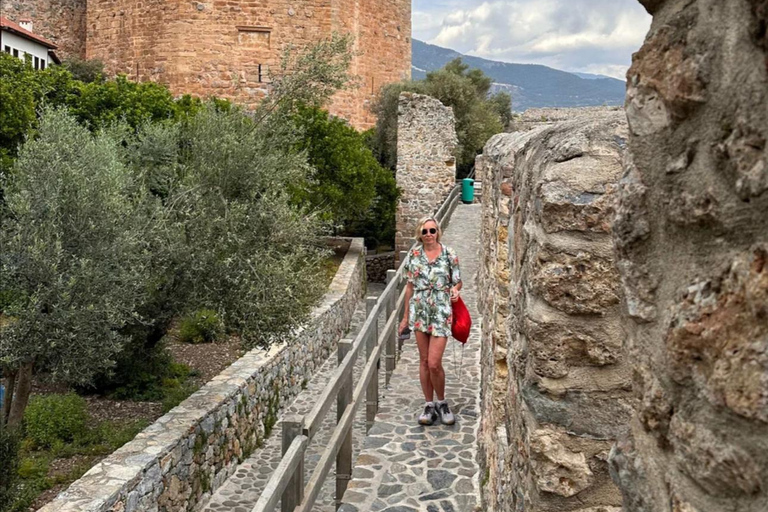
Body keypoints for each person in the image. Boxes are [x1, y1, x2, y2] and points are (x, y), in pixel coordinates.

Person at [398, 217, 462, 425]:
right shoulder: (414, 255)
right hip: (420, 310)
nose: (428, 234)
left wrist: (455, 290)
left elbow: (458, 281)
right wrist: (405, 318)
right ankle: (428, 404)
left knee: (435, 363)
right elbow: (409, 286)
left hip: (441, 311)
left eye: (432, 230)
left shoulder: (449, 254)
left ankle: (442, 402)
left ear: (438, 232)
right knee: (424, 361)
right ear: (420, 234)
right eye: (424, 231)